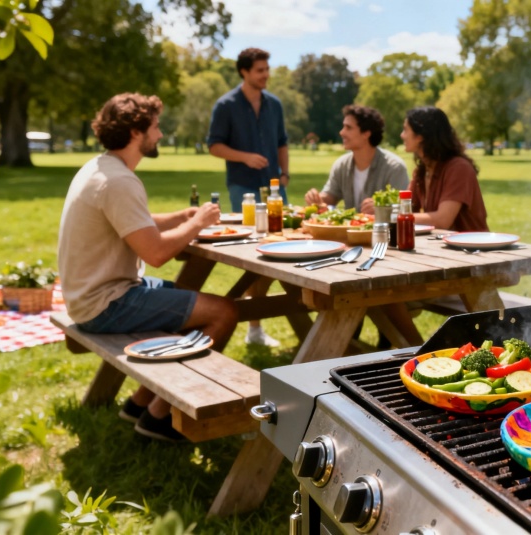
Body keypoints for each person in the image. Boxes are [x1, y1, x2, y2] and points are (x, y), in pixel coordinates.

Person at [58, 93, 238, 442]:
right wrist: (198, 223)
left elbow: (134, 221)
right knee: (224, 312)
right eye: (155, 127)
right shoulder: (120, 181)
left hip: (89, 296)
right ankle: (162, 417)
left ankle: (140, 404)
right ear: (136, 132)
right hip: (106, 303)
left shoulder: (100, 168)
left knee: (186, 301)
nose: (159, 134)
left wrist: (180, 217)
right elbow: (155, 253)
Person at [207, 47, 288, 347]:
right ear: (244, 72)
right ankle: (254, 327)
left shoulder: (274, 105)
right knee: (255, 255)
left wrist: (286, 173)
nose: (266, 75)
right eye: (260, 70)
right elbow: (214, 146)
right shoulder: (225, 105)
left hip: (276, 189)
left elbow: (282, 143)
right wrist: (244, 157)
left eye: (267, 69)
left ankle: (285, 315)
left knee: (283, 248)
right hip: (244, 189)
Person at [304, 105, 408, 213]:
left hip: (382, 230)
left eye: (348, 128)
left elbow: (403, 209)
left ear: (366, 133)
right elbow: (330, 196)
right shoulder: (341, 165)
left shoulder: (394, 168)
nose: (341, 132)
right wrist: (316, 199)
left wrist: (382, 209)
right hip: (350, 229)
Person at [400, 106, 489, 232]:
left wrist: (392, 217)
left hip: (473, 249)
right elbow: (406, 210)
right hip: (440, 248)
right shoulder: (421, 171)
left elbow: (442, 221)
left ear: (420, 136)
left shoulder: (459, 168)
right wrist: (378, 210)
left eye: (405, 130)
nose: (402, 135)